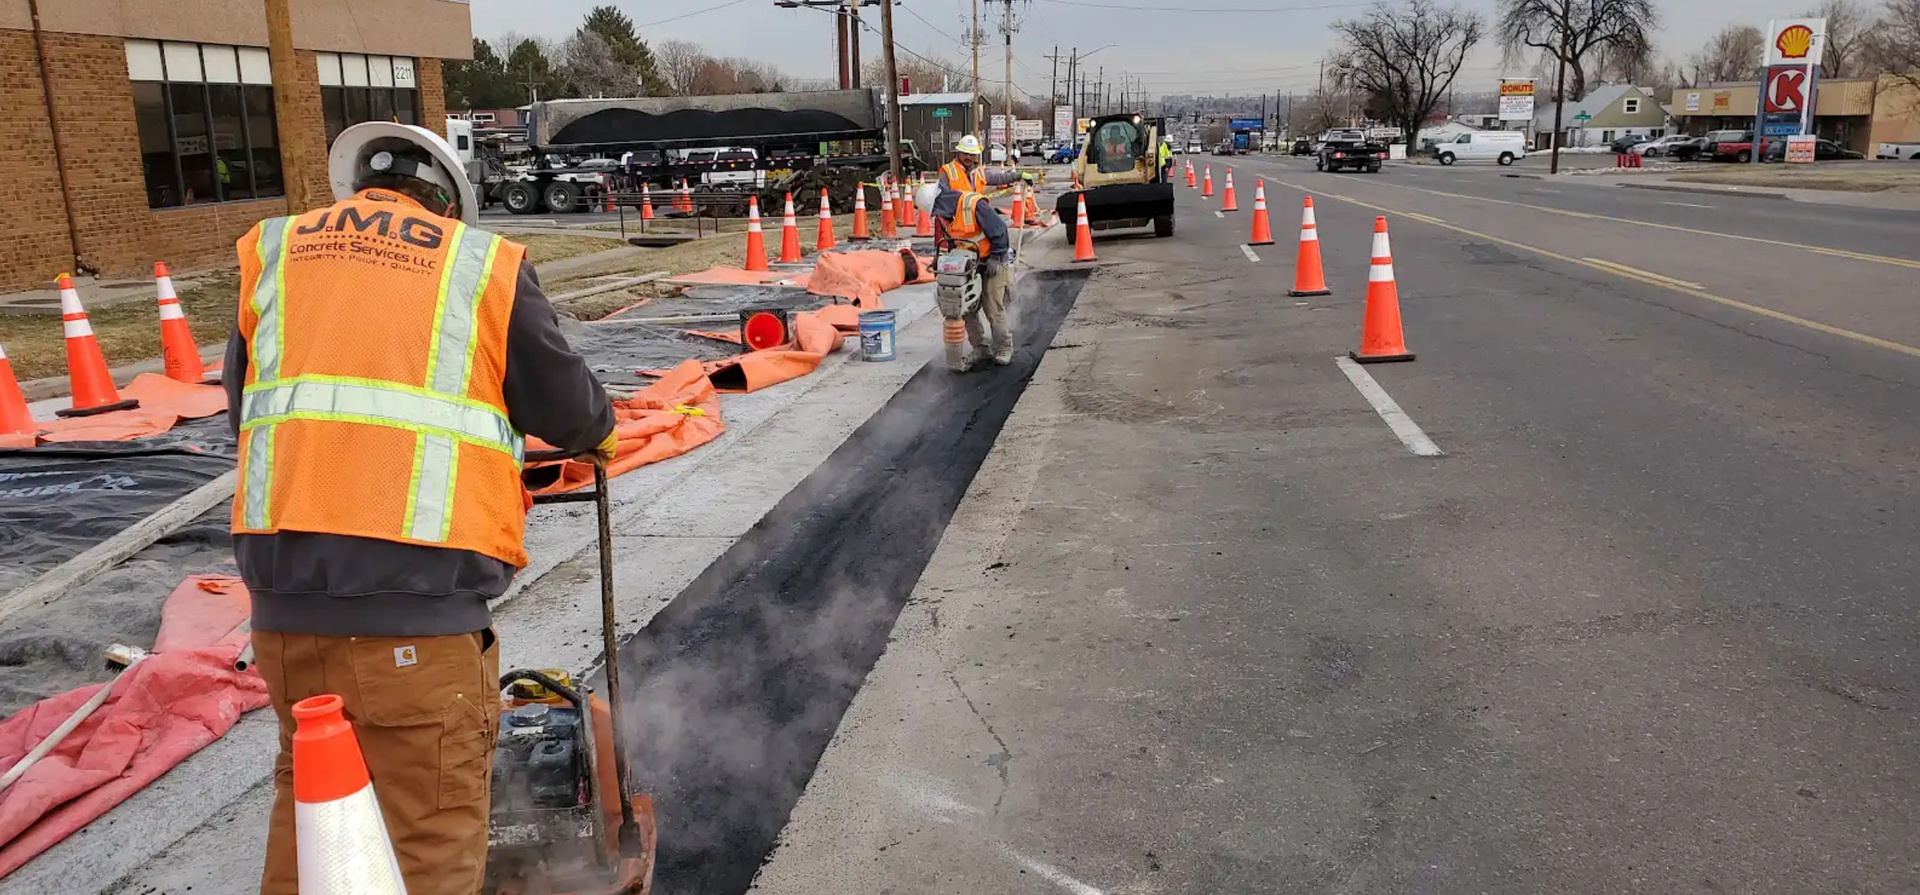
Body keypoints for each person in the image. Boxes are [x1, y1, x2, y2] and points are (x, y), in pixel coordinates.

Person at [224, 121, 617, 895]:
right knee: (426, 846)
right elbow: (572, 410)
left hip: (284, 621)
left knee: (315, 828)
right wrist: (600, 433)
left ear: (359, 190)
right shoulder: (476, 266)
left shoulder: (274, 251)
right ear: (448, 204)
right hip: (415, 625)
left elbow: (246, 405)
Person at [919, 181, 1013, 369]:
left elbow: (1000, 231)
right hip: (970, 262)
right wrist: (945, 260)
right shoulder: (947, 216)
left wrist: (996, 257)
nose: (936, 216)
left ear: (940, 202)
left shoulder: (974, 205)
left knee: (992, 306)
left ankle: (1003, 347)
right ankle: (981, 347)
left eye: (935, 211)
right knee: (966, 307)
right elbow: (954, 242)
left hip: (993, 259)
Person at [941, 134, 1030, 195]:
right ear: (958, 153)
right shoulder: (948, 172)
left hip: (975, 218)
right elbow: (941, 198)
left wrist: (1019, 175)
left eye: (971, 154)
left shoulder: (979, 172)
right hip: (955, 220)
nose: (968, 157)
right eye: (965, 153)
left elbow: (1000, 178)